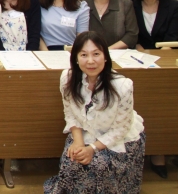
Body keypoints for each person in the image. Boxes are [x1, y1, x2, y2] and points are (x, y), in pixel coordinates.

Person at [43, 31, 145, 194]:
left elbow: (120, 129)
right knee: (72, 161)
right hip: (84, 132)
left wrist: (91, 148)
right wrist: (78, 142)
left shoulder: (123, 86)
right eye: (84, 55)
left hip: (118, 140)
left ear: (105, 57)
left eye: (96, 54)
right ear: (76, 58)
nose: (90, 61)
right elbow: (70, 113)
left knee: (99, 166)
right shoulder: (67, 78)